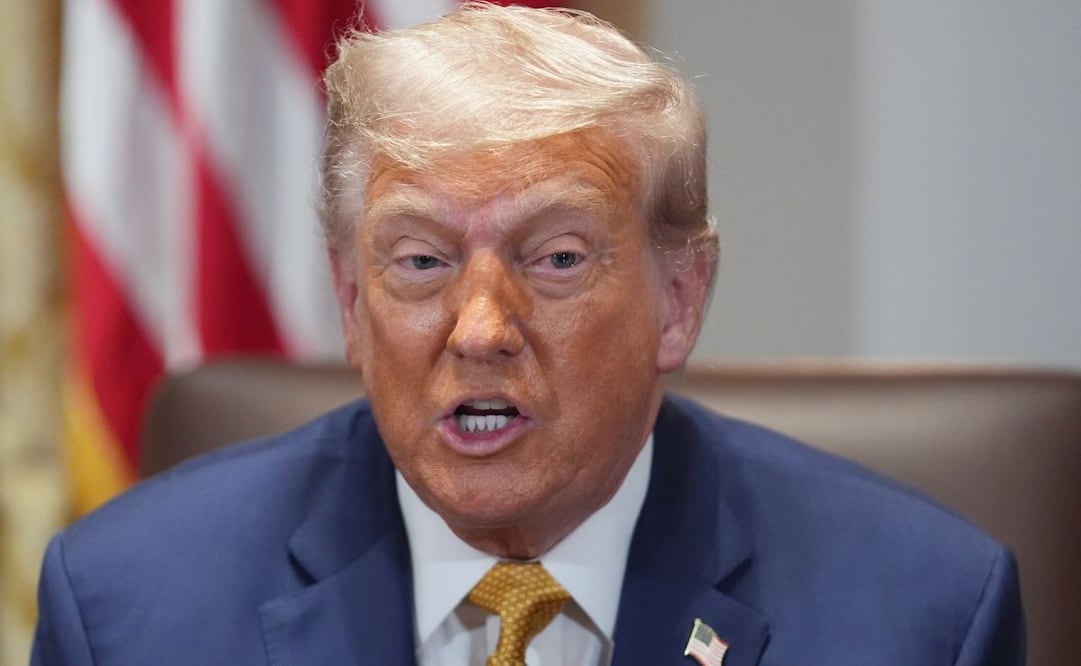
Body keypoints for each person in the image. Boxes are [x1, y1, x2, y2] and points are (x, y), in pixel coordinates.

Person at [32, 4, 1023, 665]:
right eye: (419, 261)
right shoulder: (129, 611)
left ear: (678, 299)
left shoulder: (918, 617)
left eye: (554, 260)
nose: (479, 329)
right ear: (349, 298)